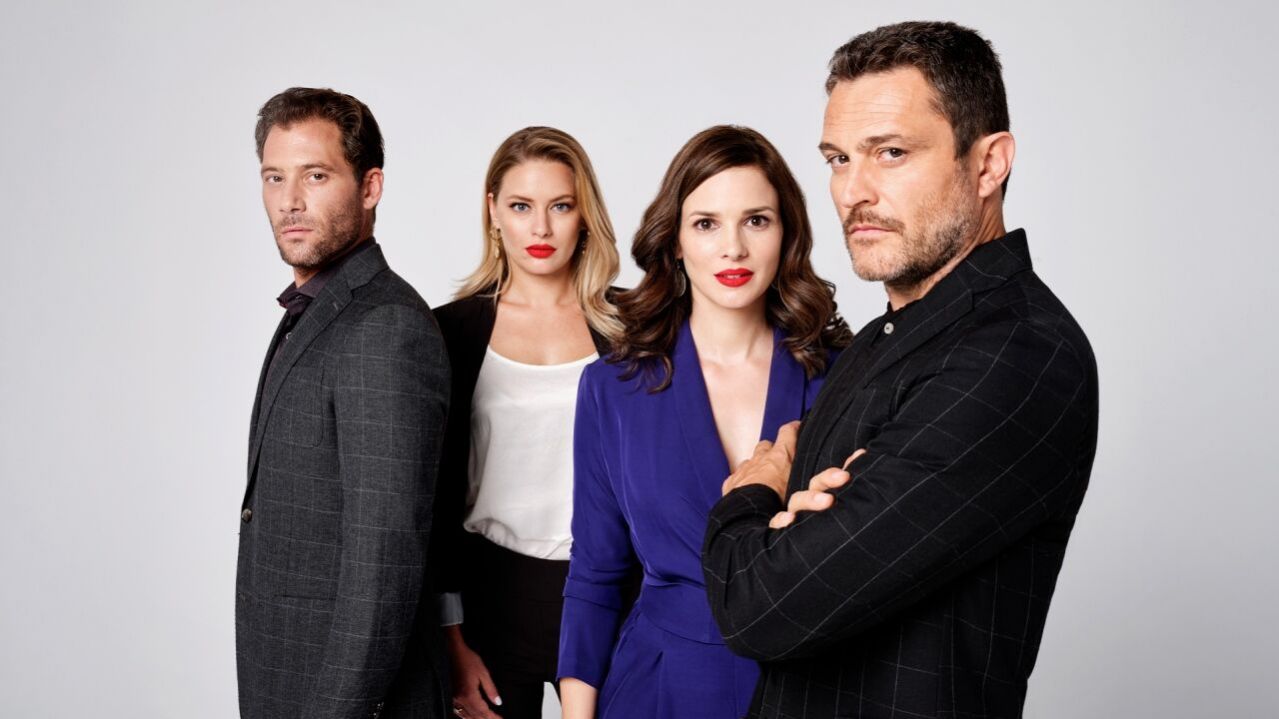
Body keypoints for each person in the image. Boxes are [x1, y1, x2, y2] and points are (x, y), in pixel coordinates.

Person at [701, 21, 1100, 718]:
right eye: (838, 159)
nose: (852, 192)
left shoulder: (1018, 353)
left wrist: (754, 492)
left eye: (890, 153)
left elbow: (763, 606)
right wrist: (790, 538)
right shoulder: (878, 341)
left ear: (988, 164)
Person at [558, 126, 852, 719]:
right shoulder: (613, 388)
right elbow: (595, 574)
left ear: (787, 234)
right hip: (657, 689)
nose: (733, 249)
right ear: (674, 242)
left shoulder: (841, 380)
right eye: (706, 224)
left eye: (756, 221)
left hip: (808, 687)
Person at [236, 87, 450, 719]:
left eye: (316, 175)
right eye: (274, 177)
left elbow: (384, 561)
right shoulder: (317, 310)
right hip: (288, 679)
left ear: (370, 187)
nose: (290, 200)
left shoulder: (385, 327)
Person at [431, 127, 624, 719]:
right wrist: (452, 643)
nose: (540, 229)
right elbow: (432, 500)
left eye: (560, 206)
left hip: (610, 595)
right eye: (521, 207)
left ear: (585, 216)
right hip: (489, 602)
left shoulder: (636, 328)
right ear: (493, 211)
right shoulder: (449, 333)